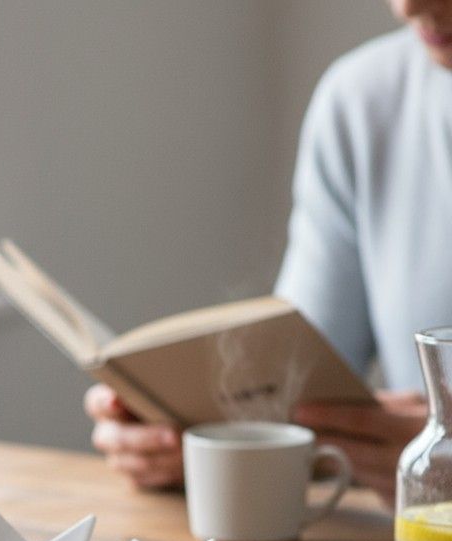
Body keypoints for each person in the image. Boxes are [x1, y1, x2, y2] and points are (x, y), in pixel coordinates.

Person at [87, 0, 452, 504]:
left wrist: (434, 461)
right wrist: (200, 439)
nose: (406, 5)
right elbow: (297, 387)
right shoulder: (364, 104)